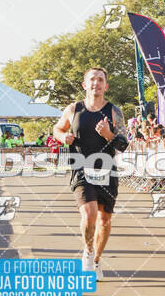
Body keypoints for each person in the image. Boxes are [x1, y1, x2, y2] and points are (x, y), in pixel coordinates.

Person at [53, 67, 128, 281]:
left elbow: (123, 145)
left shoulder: (114, 111)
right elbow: (57, 129)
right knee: (89, 213)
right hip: (81, 166)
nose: (96, 83)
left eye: (100, 79)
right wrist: (62, 136)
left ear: (106, 85)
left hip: (106, 168)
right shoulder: (73, 109)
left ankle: (96, 261)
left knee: (104, 220)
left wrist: (108, 134)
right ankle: (87, 252)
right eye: (92, 79)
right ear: (85, 85)